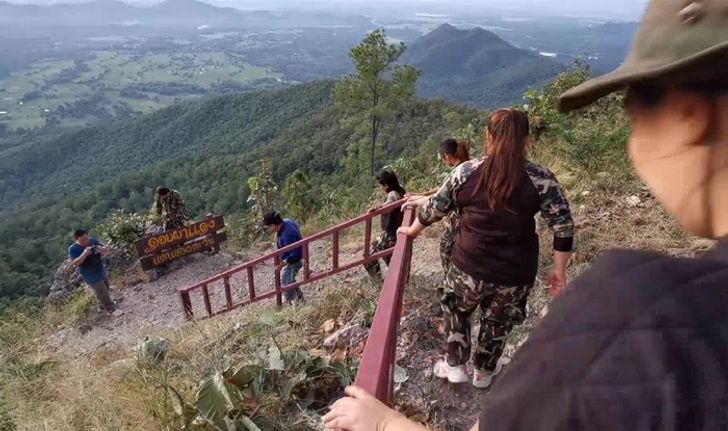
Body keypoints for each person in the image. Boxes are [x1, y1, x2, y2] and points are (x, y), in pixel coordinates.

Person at [325, 1, 728, 429]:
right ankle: (483, 374)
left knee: (459, 316)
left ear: (690, 117)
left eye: (634, 118)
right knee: (497, 326)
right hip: (514, 274)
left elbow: (434, 207)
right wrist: (558, 270)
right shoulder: (541, 179)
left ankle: (455, 366)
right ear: (527, 141)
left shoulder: (467, 172)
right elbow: (563, 225)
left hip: (467, 265)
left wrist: (410, 229)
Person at [406, 138, 470, 273]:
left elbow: (439, 201)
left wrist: (412, 228)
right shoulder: (470, 167)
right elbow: (442, 190)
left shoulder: (458, 173)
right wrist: (421, 195)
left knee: (448, 251)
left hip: (461, 226)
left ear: (447, 156)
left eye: (443, 159)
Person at [363, 170, 407, 281]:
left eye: (382, 185)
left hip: (391, 236)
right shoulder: (400, 189)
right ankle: (397, 279)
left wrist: (378, 208)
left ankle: (379, 281)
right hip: (396, 233)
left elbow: (390, 204)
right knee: (391, 262)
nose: (382, 188)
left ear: (386, 184)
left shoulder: (393, 194)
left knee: (367, 256)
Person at [68, 229, 116, 313]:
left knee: (106, 287)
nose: (85, 241)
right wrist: (84, 254)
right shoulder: (73, 249)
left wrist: (103, 249)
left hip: (100, 270)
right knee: (102, 291)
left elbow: (103, 248)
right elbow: (75, 263)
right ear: (77, 239)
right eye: (82, 240)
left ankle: (101, 305)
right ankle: (110, 309)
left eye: (86, 238)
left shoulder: (92, 241)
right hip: (90, 275)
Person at [262, 211, 304, 304]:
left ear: (273, 225)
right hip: (290, 258)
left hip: (294, 260)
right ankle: (300, 301)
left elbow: (296, 252)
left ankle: (294, 304)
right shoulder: (286, 223)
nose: (267, 229)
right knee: (289, 280)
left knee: (286, 282)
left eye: (267, 227)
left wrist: (284, 262)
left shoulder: (287, 234)